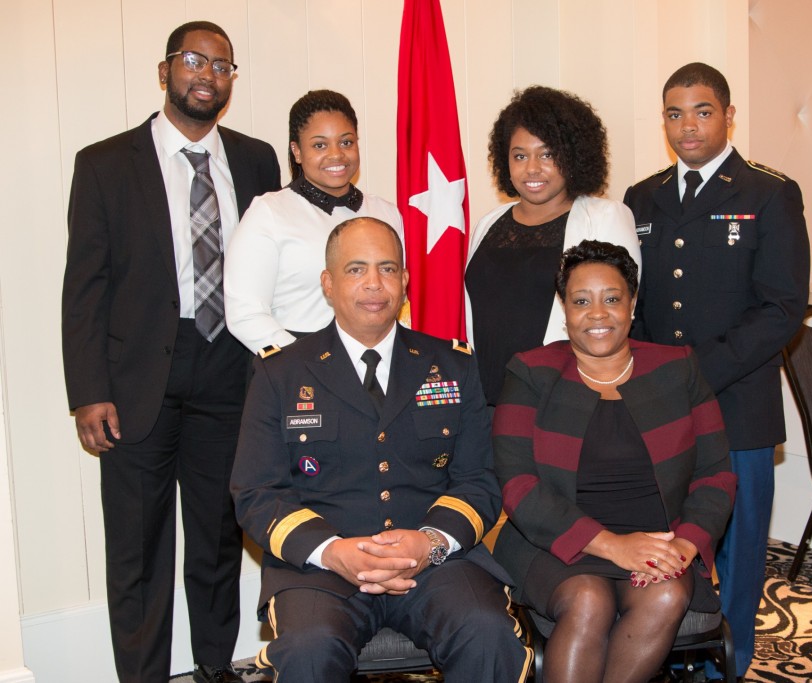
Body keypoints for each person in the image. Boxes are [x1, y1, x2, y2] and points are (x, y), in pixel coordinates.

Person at [61, 21, 281, 683]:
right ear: (165, 71)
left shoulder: (257, 160)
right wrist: (88, 392)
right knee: (138, 546)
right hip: (135, 379)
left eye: (222, 65)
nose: (207, 74)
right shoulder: (104, 164)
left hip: (230, 368)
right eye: (193, 60)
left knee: (217, 536)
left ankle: (214, 666)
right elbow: (85, 286)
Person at [230, 217, 532, 682]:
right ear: (328, 283)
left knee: (487, 634)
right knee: (308, 650)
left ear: (405, 281)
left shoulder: (453, 365)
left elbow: (479, 479)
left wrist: (429, 542)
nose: (374, 283)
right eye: (356, 269)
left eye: (387, 268)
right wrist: (332, 551)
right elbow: (257, 491)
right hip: (322, 570)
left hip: (435, 564)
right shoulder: (281, 373)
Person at [623, 62, 810, 680]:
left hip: (737, 407)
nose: (688, 127)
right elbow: (634, 303)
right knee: (668, 544)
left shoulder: (768, 193)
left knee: (738, 548)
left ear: (728, 115)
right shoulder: (642, 197)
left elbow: (782, 309)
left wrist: (691, 373)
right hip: (660, 411)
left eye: (702, 112)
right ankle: (672, 657)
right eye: (674, 114)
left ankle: (728, 667)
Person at [492, 240, 737, 683]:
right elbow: (519, 486)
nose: (598, 314)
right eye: (581, 301)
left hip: (658, 542)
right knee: (589, 600)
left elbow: (715, 476)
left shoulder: (678, 367)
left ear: (632, 303)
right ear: (564, 308)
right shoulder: (531, 372)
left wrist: (682, 547)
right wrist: (614, 546)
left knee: (666, 596)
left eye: (611, 299)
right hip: (554, 543)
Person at [465, 85, 641, 405]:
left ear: (572, 156)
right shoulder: (488, 224)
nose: (532, 168)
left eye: (547, 154)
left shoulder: (605, 218)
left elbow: (616, 318)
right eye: (520, 155)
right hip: (486, 402)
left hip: (564, 402)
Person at [225, 89, 403, 355]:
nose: (336, 155)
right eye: (320, 145)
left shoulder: (386, 212)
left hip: (375, 359)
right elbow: (245, 314)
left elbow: (396, 298)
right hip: (296, 360)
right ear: (296, 151)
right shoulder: (269, 212)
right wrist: (308, 363)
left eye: (346, 142)